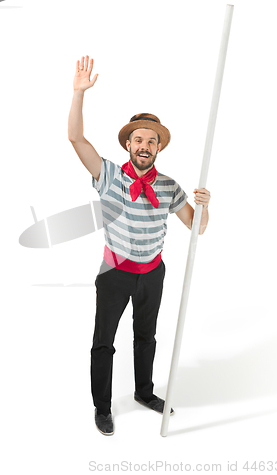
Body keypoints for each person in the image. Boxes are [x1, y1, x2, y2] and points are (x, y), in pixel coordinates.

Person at [68, 56, 211, 436]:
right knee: (104, 342)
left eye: (152, 141)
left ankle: (144, 393)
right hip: (115, 274)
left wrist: (204, 207)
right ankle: (102, 407)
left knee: (146, 336)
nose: (144, 145)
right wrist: (78, 94)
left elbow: (196, 227)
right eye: (138, 140)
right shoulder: (109, 175)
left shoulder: (168, 185)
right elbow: (76, 139)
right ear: (128, 144)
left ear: (158, 148)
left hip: (153, 273)